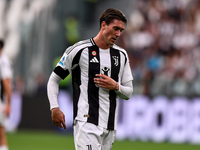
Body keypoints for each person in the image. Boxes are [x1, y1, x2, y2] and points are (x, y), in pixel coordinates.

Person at [47, 8, 133, 150]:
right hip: (87, 122)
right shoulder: (79, 50)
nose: (118, 34)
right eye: (116, 28)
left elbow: (128, 92)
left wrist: (115, 86)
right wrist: (54, 107)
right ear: (104, 25)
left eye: (121, 31)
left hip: (110, 127)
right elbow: (54, 79)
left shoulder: (121, 55)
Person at [0, 39, 12, 150]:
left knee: (1, 133)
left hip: (1, 102)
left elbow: (7, 84)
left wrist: (8, 104)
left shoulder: (2, 61)